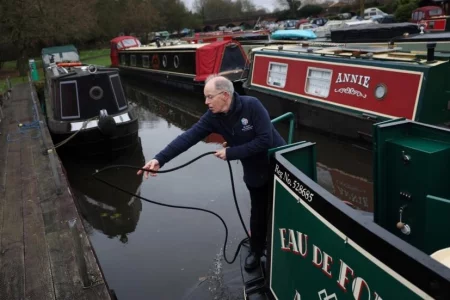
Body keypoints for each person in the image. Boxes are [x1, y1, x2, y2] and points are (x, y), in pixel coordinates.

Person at [137, 75, 286, 271]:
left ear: (225, 95)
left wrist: (231, 152)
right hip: (254, 170)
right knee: (258, 212)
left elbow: (265, 140)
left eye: (209, 97)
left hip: (279, 164)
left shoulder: (252, 105)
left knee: (284, 209)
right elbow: (188, 137)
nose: (206, 102)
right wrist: (159, 159)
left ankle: (287, 248)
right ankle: (257, 251)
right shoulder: (213, 117)